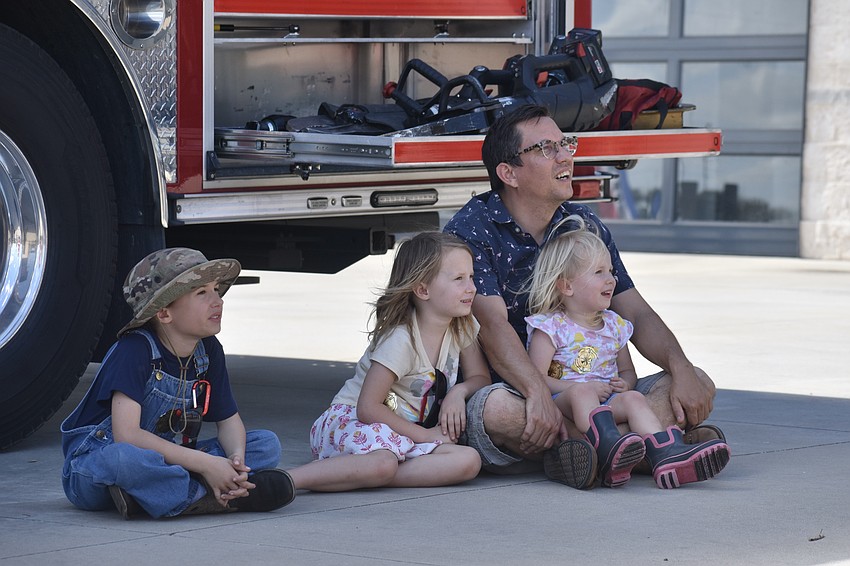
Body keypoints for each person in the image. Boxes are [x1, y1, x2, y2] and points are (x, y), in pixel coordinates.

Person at [444, 104, 724, 488]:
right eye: (546, 148)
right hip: (518, 393)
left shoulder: (584, 222)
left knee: (697, 381)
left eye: (566, 144)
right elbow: (491, 326)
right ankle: (652, 446)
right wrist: (538, 392)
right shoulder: (471, 229)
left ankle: (588, 452)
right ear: (508, 173)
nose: (566, 157)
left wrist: (681, 367)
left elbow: (634, 312)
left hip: (597, 394)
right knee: (494, 411)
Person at [61, 248, 296, 519]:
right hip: (95, 467)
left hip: (171, 459)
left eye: (216, 289)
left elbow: (229, 421)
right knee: (124, 459)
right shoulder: (134, 351)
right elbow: (127, 435)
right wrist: (207, 464)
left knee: (266, 444)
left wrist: (236, 461)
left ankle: (164, 493)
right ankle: (209, 497)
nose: (217, 300)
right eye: (201, 293)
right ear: (163, 314)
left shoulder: (208, 350)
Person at [524, 222, 730, 488]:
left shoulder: (614, 326)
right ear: (566, 286)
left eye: (610, 271)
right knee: (583, 393)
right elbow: (537, 379)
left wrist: (626, 384)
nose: (611, 279)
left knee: (633, 399)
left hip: (606, 403)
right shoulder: (551, 327)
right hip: (564, 403)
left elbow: (627, 371)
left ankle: (666, 456)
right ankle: (609, 448)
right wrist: (578, 388)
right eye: (598, 272)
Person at [286, 232, 489, 491]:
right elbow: (368, 408)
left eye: (471, 277)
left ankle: (357, 474)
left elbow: (480, 378)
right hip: (353, 423)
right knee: (383, 462)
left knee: (468, 461)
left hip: (399, 434)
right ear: (423, 289)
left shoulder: (462, 325)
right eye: (459, 279)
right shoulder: (401, 339)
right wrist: (426, 436)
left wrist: (458, 393)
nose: (471, 287)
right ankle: (290, 480)